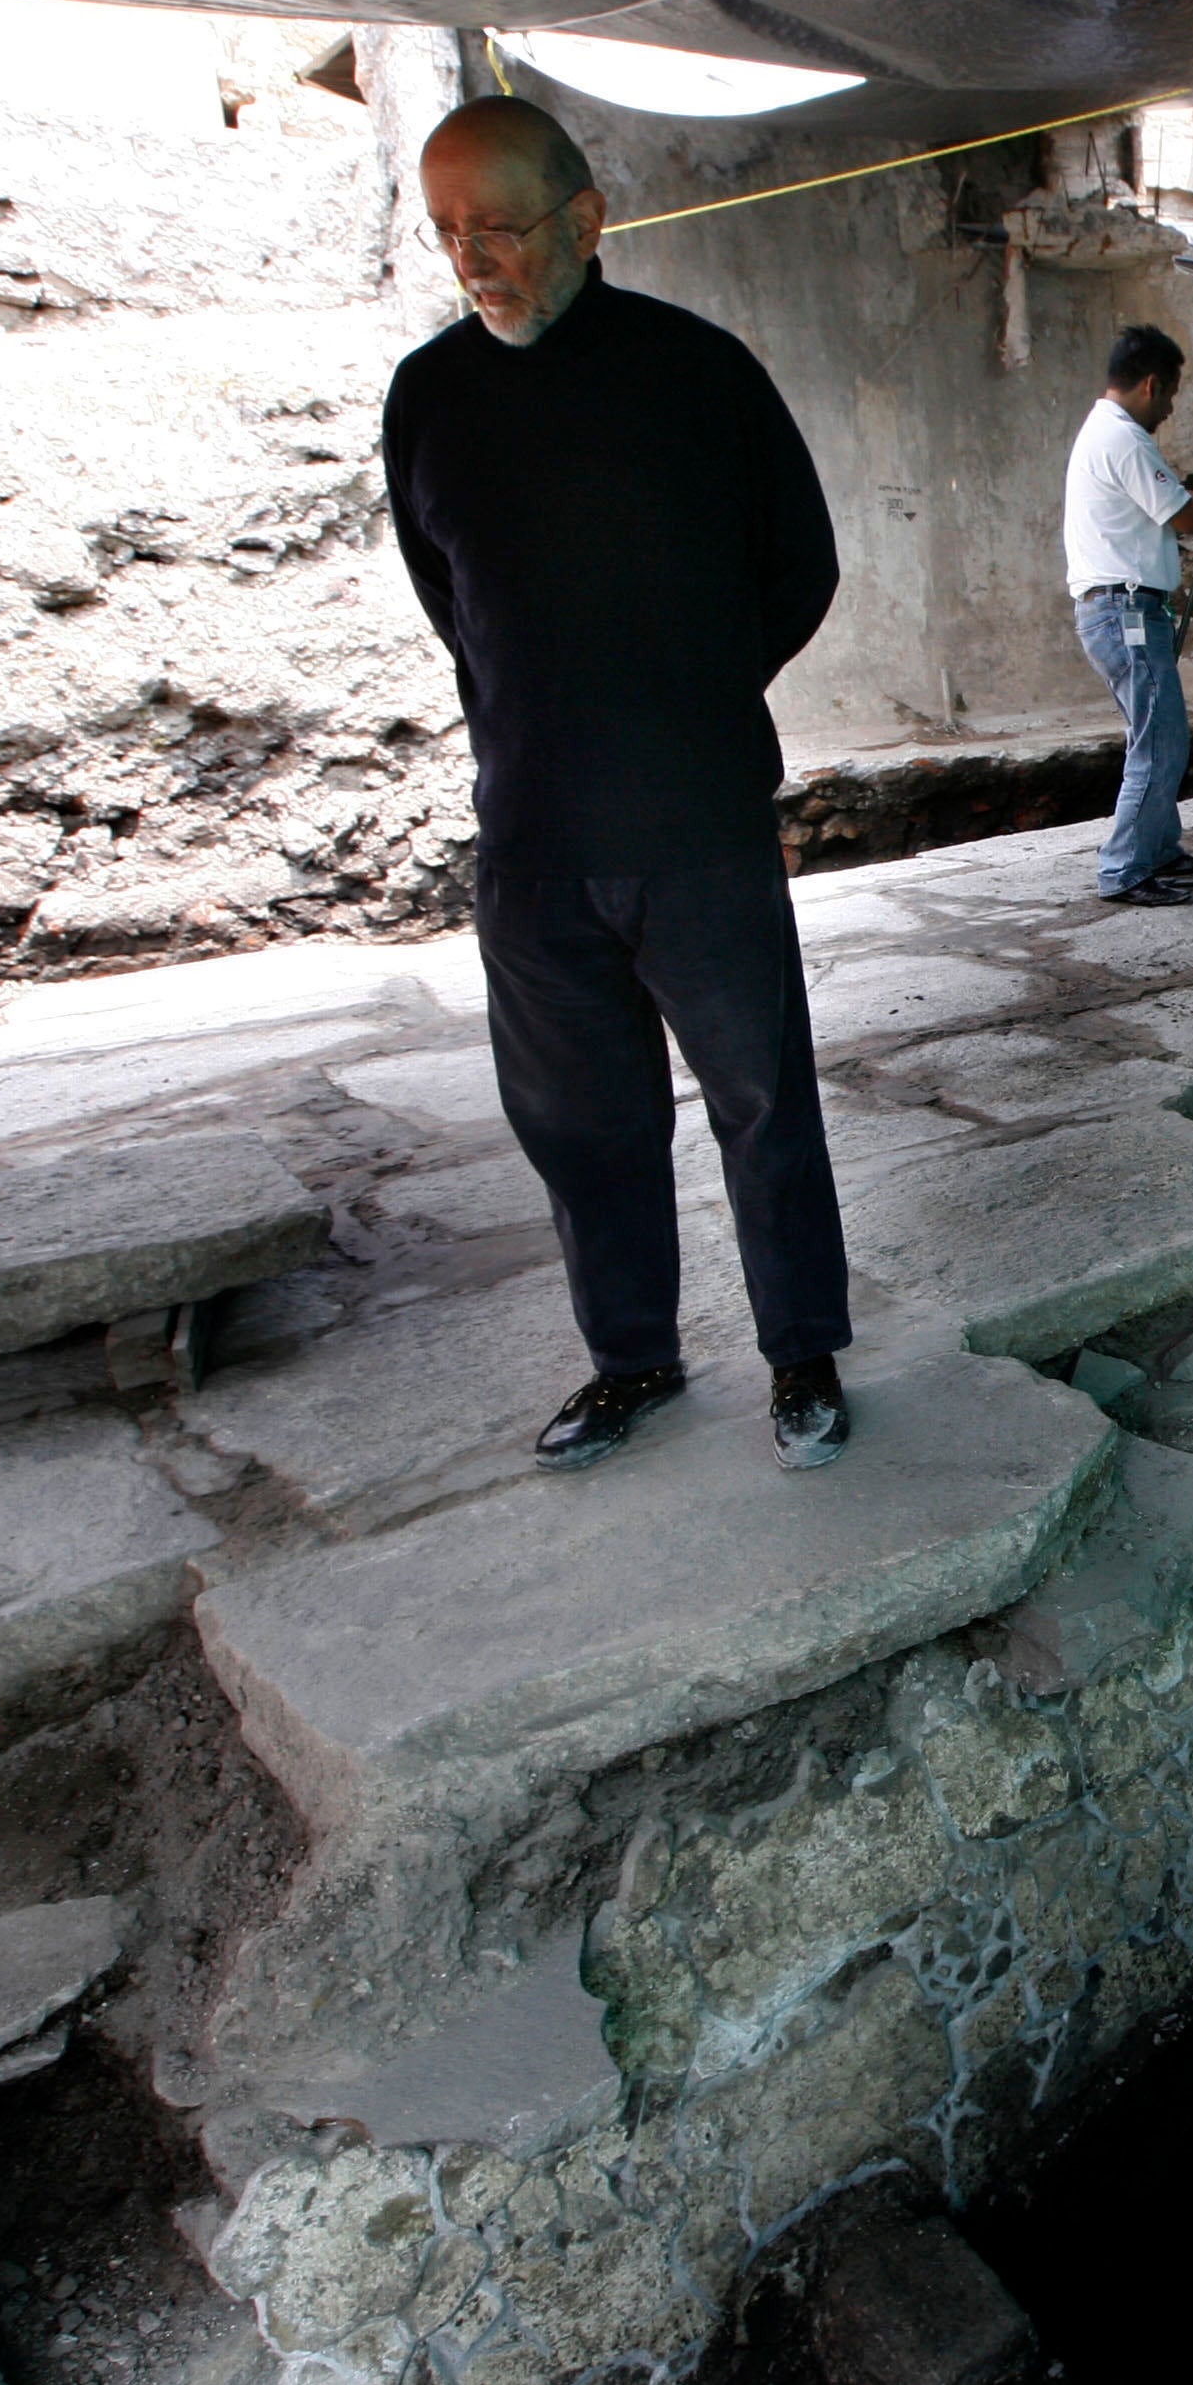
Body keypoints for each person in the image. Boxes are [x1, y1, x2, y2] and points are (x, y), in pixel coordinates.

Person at [383, 95, 853, 1475]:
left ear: (586, 221)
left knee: (761, 1102)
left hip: (695, 819)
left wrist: (687, 702)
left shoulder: (698, 373)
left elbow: (802, 566)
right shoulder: (431, 396)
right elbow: (449, 595)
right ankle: (631, 1355)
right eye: (451, 232)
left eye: (503, 227)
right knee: (579, 1122)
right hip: (531, 833)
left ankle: (802, 1354)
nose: (478, 258)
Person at [1063, 324, 1193, 908]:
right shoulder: (1122, 438)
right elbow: (1182, 516)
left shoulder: (1108, 433)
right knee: (1161, 742)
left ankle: (1159, 848)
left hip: (1121, 610)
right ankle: (1124, 868)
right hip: (1124, 611)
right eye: (1171, 393)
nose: (1171, 407)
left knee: (1154, 736)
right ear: (1152, 384)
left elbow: (1174, 504)